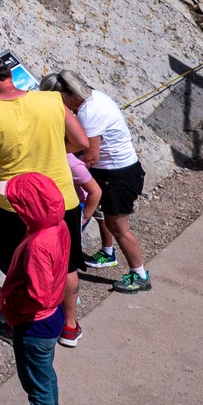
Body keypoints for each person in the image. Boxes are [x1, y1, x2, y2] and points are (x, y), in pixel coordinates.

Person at [0, 54, 90, 286]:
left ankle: (25, 318)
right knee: (67, 264)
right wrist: (53, 147)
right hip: (62, 197)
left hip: (16, 205)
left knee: (18, 265)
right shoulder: (52, 100)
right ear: (10, 75)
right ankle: (70, 320)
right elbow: (82, 142)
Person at [0, 171, 69, 405]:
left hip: (34, 323)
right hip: (52, 317)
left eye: (17, 202)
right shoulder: (58, 226)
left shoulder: (38, 244)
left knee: (36, 385)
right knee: (46, 379)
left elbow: (36, 295)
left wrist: (11, 307)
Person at [58, 69, 150, 293]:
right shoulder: (93, 97)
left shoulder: (90, 113)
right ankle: (108, 253)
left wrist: (69, 170)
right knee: (104, 214)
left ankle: (140, 275)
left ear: (70, 94)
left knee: (118, 226)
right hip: (114, 171)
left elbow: (91, 156)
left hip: (118, 175)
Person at [58, 153, 100, 346]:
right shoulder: (64, 158)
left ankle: (68, 316)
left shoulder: (70, 162)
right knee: (65, 264)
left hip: (70, 211)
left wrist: (83, 220)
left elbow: (95, 192)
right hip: (67, 210)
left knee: (67, 263)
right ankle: (69, 323)